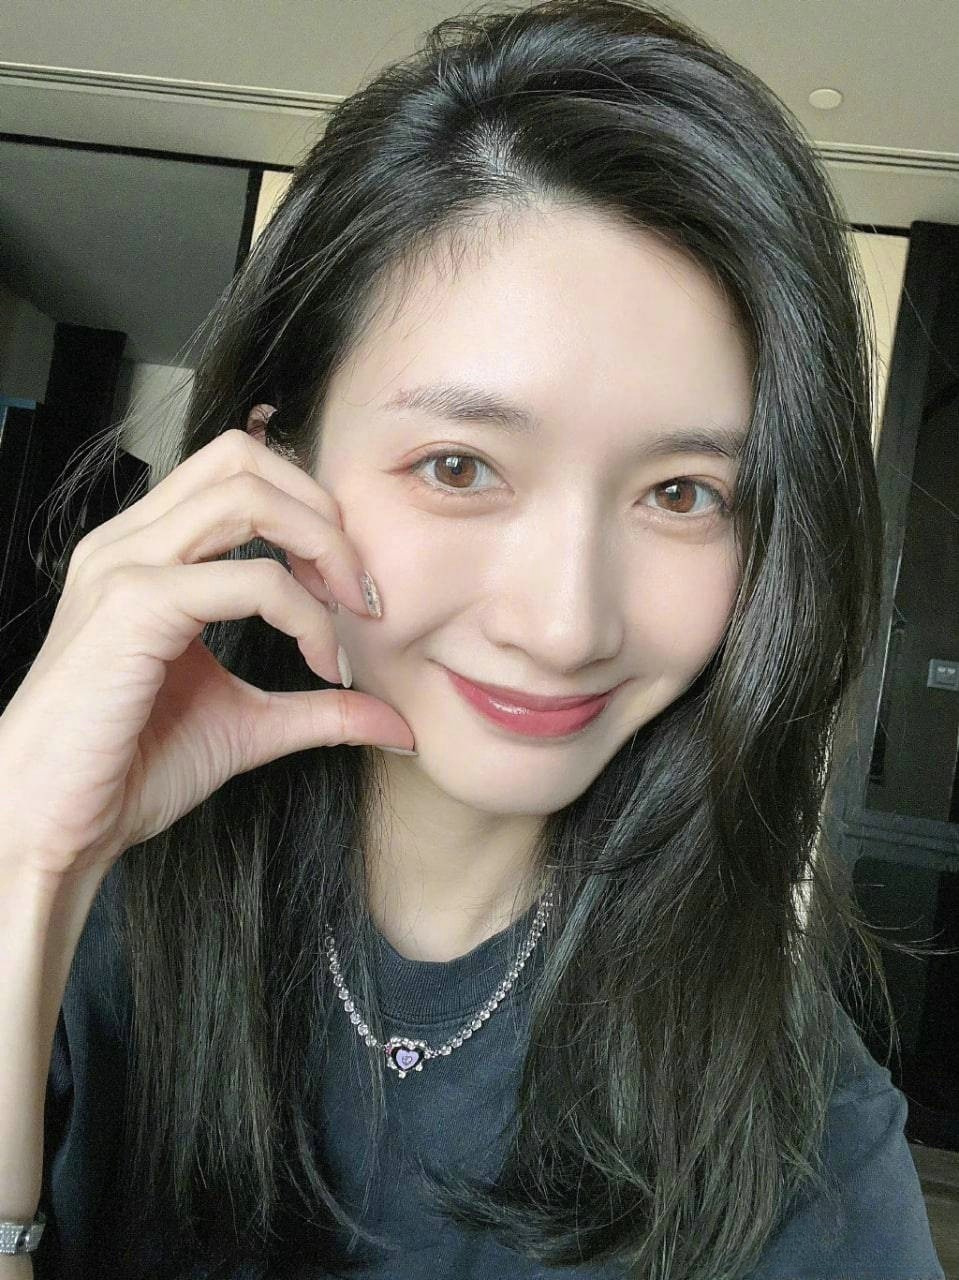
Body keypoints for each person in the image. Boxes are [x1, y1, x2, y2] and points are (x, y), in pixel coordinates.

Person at [0, 2, 948, 1277]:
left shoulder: (800, 1121)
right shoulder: (67, 908)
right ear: (278, 465)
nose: (563, 625)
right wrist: (26, 863)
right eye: (458, 465)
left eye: (681, 493)